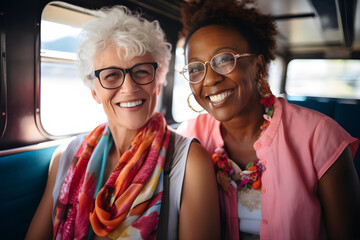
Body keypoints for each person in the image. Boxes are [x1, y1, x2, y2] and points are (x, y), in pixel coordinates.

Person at [26, 5, 220, 240]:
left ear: (157, 82)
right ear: (94, 91)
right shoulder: (66, 157)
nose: (129, 87)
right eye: (111, 75)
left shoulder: (190, 162)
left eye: (141, 72)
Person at [177, 0, 360, 239]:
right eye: (195, 69)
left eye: (224, 59)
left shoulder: (320, 135)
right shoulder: (190, 137)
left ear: (258, 66)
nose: (210, 79)